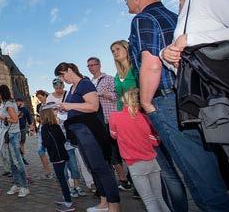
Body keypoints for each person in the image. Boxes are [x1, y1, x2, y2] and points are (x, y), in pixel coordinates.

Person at [126, 0, 229, 211]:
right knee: (209, 164)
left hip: (165, 98)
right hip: (189, 96)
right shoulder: (175, 17)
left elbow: (151, 63)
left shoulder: (143, 18)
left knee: (198, 175)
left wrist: (146, 102)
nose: (126, 2)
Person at [144, 0, 229, 178]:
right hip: (212, 103)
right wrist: (167, 56)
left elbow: (197, 41)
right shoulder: (183, 8)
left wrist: (191, 39)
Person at [55, 62, 120, 212]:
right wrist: (64, 109)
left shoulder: (85, 84)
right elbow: (77, 109)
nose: (62, 79)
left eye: (62, 74)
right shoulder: (72, 89)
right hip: (79, 132)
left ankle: (114, 206)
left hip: (90, 131)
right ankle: (104, 202)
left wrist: (69, 106)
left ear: (70, 70)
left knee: (101, 167)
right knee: (93, 168)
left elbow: (93, 106)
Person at [109, 89, 170, 212]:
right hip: (152, 161)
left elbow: (113, 135)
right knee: (159, 198)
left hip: (134, 164)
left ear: (123, 100)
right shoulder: (145, 118)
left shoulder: (115, 117)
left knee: (149, 201)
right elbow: (155, 141)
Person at [87, 56, 131, 191]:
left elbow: (117, 96)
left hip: (112, 119)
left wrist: (100, 93)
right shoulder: (89, 83)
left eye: (93, 65)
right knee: (112, 154)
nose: (91, 67)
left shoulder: (109, 79)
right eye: (89, 66)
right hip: (99, 123)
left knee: (124, 151)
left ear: (99, 65)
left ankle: (133, 178)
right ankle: (123, 180)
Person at [49, 77, 89, 197]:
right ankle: (69, 188)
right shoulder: (50, 98)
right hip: (57, 133)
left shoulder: (68, 95)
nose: (59, 89)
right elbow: (46, 114)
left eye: (60, 87)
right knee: (63, 163)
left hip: (69, 131)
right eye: (56, 87)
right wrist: (55, 111)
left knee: (73, 162)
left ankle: (77, 186)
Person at [40, 106, 75, 212]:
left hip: (56, 156)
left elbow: (45, 143)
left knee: (62, 179)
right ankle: (66, 197)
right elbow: (63, 139)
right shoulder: (56, 125)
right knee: (62, 178)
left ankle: (68, 203)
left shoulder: (44, 128)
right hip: (62, 154)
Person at [0, 85, 30, 198]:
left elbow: (15, 119)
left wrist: (2, 118)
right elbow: (16, 115)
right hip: (11, 134)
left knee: (17, 161)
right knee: (12, 161)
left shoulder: (8, 104)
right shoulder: (11, 103)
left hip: (13, 135)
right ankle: (17, 184)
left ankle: (24, 186)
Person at [35, 90, 53, 179]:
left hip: (50, 129)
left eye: (40, 98)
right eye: (38, 98)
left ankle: (58, 170)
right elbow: (39, 117)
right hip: (42, 129)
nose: (39, 100)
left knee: (52, 150)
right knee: (40, 150)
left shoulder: (51, 104)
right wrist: (38, 119)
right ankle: (47, 171)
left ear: (45, 96)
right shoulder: (38, 106)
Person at [16, 98, 34, 165]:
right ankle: (18, 158)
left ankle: (22, 158)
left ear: (22, 102)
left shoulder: (25, 110)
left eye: (18, 101)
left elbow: (29, 120)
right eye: (16, 102)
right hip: (15, 129)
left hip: (23, 129)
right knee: (16, 144)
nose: (17, 103)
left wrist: (31, 129)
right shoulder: (15, 109)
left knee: (22, 144)